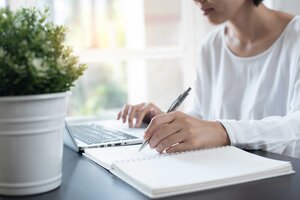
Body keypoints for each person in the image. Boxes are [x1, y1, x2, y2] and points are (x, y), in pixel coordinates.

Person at [117, 0, 300, 158]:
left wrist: (223, 132)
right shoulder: (212, 46)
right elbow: (203, 116)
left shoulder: (296, 38)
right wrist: (167, 121)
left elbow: (296, 127)